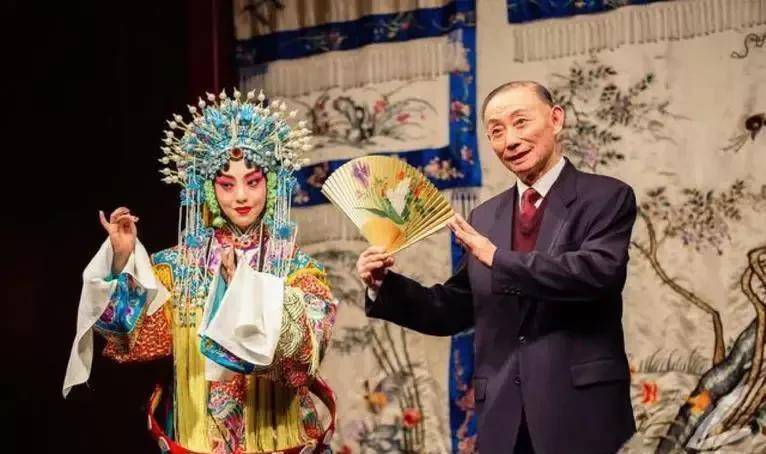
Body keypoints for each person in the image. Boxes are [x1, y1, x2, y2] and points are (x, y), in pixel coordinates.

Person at [357, 81, 637, 453]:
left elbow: (597, 273)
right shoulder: (486, 217)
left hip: (581, 411)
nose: (511, 140)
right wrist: (382, 285)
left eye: (521, 122)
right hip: (504, 417)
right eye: (496, 131)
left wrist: (498, 259)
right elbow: (455, 307)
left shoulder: (605, 196)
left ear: (556, 119)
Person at [63, 89, 338, 454]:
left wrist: (246, 289)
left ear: (271, 183)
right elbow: (132, 339)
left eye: (253, 181)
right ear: (208, 188)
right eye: (227, 184)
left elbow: (306, 355)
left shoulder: (297, 269)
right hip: (197, 434)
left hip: (278, 432)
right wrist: (121, 261)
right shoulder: (179, 267)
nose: (241, 196)